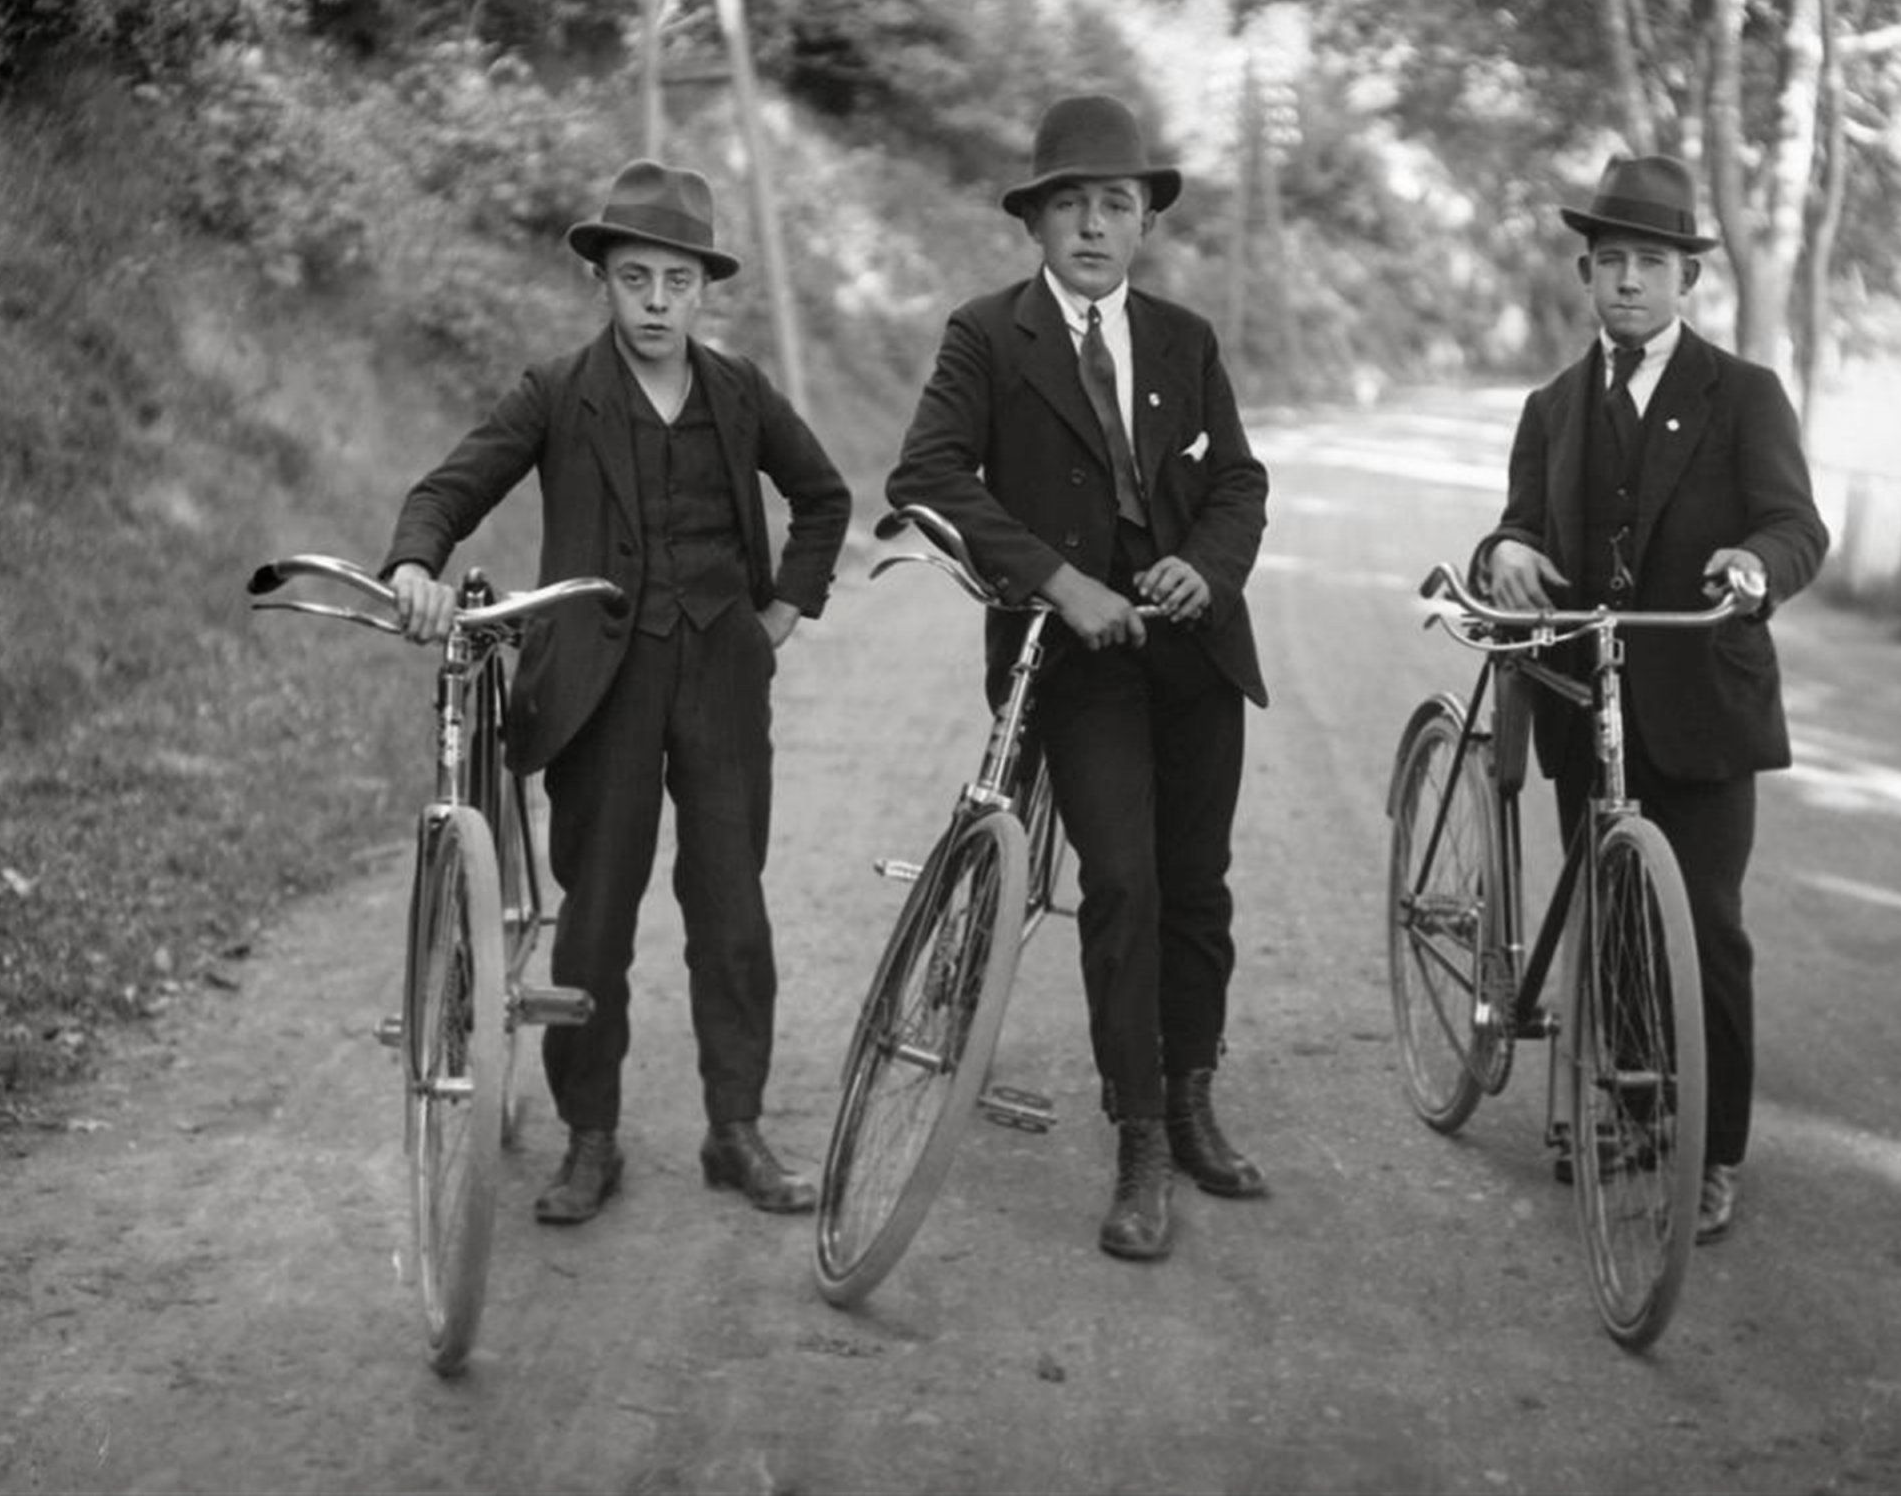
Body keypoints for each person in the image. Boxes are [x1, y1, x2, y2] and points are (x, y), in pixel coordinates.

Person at [380, 158, 852, 1226]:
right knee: (597, 916)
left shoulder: (738, 392)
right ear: (602, 278)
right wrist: (416, 559)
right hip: (603, 684)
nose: (654, 301)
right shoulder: (557, 392)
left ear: (702, 289)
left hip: (723, 678)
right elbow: (452, 484)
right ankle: (591, 1136)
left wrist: (779, 613)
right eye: (634, 276)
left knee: (731, 907)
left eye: (675, 281)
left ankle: (736, 1128)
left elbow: (824, 497)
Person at [887, 94, 1271, 1262]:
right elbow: (929, 475)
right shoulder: (986, 335)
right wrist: (1061, 581)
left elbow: (1239, 485)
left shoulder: (1184, 341)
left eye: (1117, 203)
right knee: (1123, 877)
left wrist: (1204, 571)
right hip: (1072, 653)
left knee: (1198, 882)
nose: (1094, 226)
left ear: (1145, 220)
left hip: (1191, 645)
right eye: (1072, 205)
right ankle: (1140, 1132)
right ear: (1036, 223)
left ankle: (1194, 1092)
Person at [1475, 153, 1826, 1245]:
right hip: (1589, 694)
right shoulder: (1553, 407)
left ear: (1688, 282)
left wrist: (1755, 568)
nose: (1629, 281)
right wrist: (1509, 552)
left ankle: (1711, 1149)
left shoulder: (1744, 395)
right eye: (1612, 261)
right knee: (1615, 910)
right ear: (1587, 274)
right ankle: (1631, 1109)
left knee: (1707, 925)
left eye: (1652, 263)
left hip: (1703, 697)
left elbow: (1797, 525)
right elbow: (1518, 521)